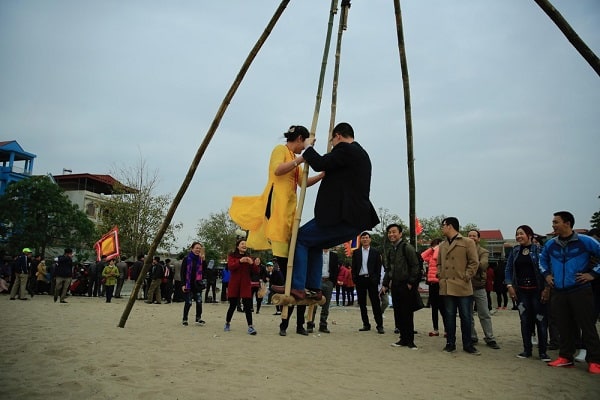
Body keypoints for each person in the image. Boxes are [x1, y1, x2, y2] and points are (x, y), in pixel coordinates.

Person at [229, 125, 322, 333]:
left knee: (297, 263)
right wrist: (303, 157)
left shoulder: (292, 155)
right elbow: (277, 170)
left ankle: (298, 321)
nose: (305, 148)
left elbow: (303, 182)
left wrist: (323, 174)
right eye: (306, 143)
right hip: (277, 209)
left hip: (290, 213)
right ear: (300, 139)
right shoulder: (280, 151)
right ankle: (286, 322)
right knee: (287, 262)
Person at [274, 122, 380, 299]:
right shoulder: (360, 154)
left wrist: (308, 147)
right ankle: (314, 288)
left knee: (299, 238)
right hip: (354, 219)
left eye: (332, 141)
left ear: (338, 136)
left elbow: (319, 162)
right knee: (316, 243)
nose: (331, 145)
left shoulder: (346, 149)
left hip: (341, 216)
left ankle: (297, 286)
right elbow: (325, 167)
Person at [539, 211, 600, 373]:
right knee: (563, 325)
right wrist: (547, 275)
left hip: (580, 290)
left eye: (556, 222)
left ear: (567, 223)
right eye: (553, 222)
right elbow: (542, 260)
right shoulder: (551, 244)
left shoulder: (585, 241)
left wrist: (592, 274)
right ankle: (566, 357)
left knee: (587, 325)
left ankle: (594, 360)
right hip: (559, 291)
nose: (553, 225)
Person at [504, 225, 549, 361]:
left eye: (521, 233)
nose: (518, 236)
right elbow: (508, 269)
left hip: (537, 291)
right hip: (522, 292)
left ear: (530, 235)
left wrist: (547, 288)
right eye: (517, 234)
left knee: (540, 321)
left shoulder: (539, 250)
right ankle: (527, 349)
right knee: (524, 321)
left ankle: (542, 352)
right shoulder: (515, 251)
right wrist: (509, 285)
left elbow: (546, 269)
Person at [437, 217, 480, 355]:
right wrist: (440, 275)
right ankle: (450, 343)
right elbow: (438, 263)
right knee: (449, 316)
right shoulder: (442, 245)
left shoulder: (467, 242)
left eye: (443, 225)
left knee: (466, 316)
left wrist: (467, 275)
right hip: (447, 285)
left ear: (450, 226)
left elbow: (474, 262)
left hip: (462, 285)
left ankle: (468, 344)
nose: (442, 228)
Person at [381, 224, 420, 349]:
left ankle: (410, 341)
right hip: (395, 285)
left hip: (405, 285)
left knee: (407, 313)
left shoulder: (407, 248)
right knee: (398, 313)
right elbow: (389, 269)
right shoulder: (391, 250)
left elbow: (415, 266)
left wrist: (411, 282)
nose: (391, 235)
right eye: (389, 233)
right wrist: (385, 284)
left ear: (400, 234)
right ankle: (402, 338)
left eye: (394, 232)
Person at [467, 229, 500, 350]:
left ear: (478, 238)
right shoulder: (463, 251)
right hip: (466, 286)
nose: (471, 237)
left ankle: (490, 337)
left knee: (484, 313)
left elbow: (483, 265)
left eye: (474, 236)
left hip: (479, 287)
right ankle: (472, 336)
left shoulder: (483, 251)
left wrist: (471, 261)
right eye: (469, 235)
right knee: (467, 314)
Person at [225, 239, 260, 335]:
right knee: (232, 305)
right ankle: (227, 323)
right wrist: (240, 261)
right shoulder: (232, 256)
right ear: (238, 246)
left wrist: (252, 263)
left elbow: (256, 271)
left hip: (245, 285)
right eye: (242, 244)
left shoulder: (249, 257)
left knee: (248, 306)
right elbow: (230, 267)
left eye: (245, 244)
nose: (244, 245)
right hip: (234, 284)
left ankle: (250, 327)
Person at [352, 232, 384, 334]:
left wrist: (377, 279)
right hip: (360, 279)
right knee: (362, 304)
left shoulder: (375, 252)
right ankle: (366, 324)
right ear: (360, 240)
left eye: (366, 238)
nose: (365, 240)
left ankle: (379, 325)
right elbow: (354, 268)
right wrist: (355, 279)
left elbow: (378, 268)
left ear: (370, 240)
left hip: (372, 280)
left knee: (375, 303)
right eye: (363, 238)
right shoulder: (356, 252)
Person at [307, 248, 339, 334]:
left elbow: (336, 269)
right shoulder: (316, 253)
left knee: (326, 305)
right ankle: (310, 324)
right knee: (313, 303)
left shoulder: (334, 255)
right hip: (317, 281)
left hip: (328, 281)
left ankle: (323, 325)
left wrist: (333, 282)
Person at [421, 238, 446, 337]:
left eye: (435, 245)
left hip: (439, 283)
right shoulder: (432, 254)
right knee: (434, 308)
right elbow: (422, 256)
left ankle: (447, 330)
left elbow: (436, 256)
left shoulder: (441, 255)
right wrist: (431, 249)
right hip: (431, 283)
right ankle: (435, 329)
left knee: (443, 308)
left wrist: (438, 248)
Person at [181, 242, 206, 326]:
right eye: (196, 248)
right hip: (188, 284)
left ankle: (198, 318)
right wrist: (183, 284)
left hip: (197, 284)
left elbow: (205, 271)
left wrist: (204, 260)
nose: (198, 250)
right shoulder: (187, 258)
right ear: (192, 249)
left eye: (199, 248)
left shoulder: (201, 259)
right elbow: (183, 272)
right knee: (188, 302)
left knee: (199, 302)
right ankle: (185, 319)